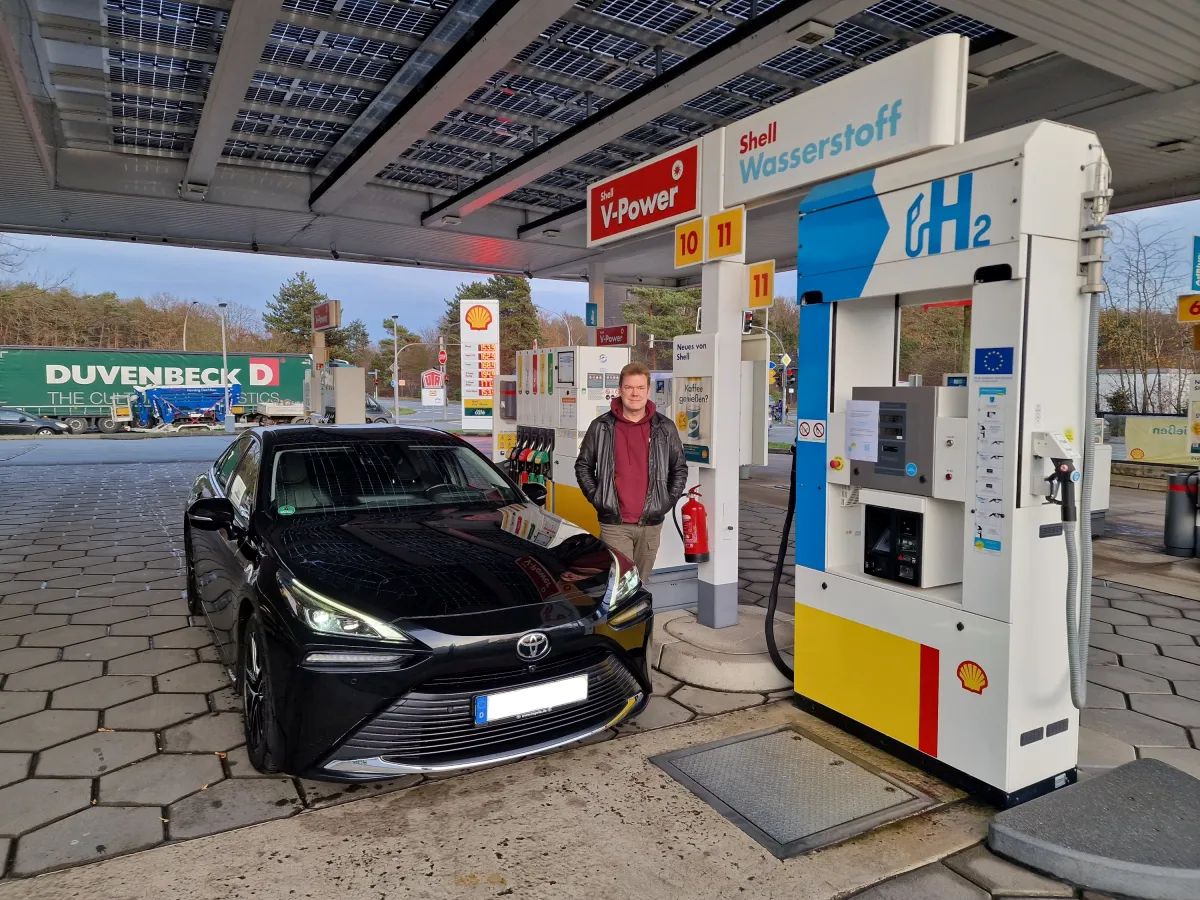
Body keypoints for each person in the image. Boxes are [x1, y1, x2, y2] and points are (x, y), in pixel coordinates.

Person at [575, 361, 688, 579]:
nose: (634, 393)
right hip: (614, 524)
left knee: (641, 583)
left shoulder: (665, 427)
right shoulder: (601, 426)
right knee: (620, 583)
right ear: (620, 390)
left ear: (648, 390)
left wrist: (665, 502)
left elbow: (679, 468)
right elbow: (583, 466)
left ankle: (638, 614)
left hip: (651, 523)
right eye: (629, 387)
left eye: (640, 388)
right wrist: (598, 497)